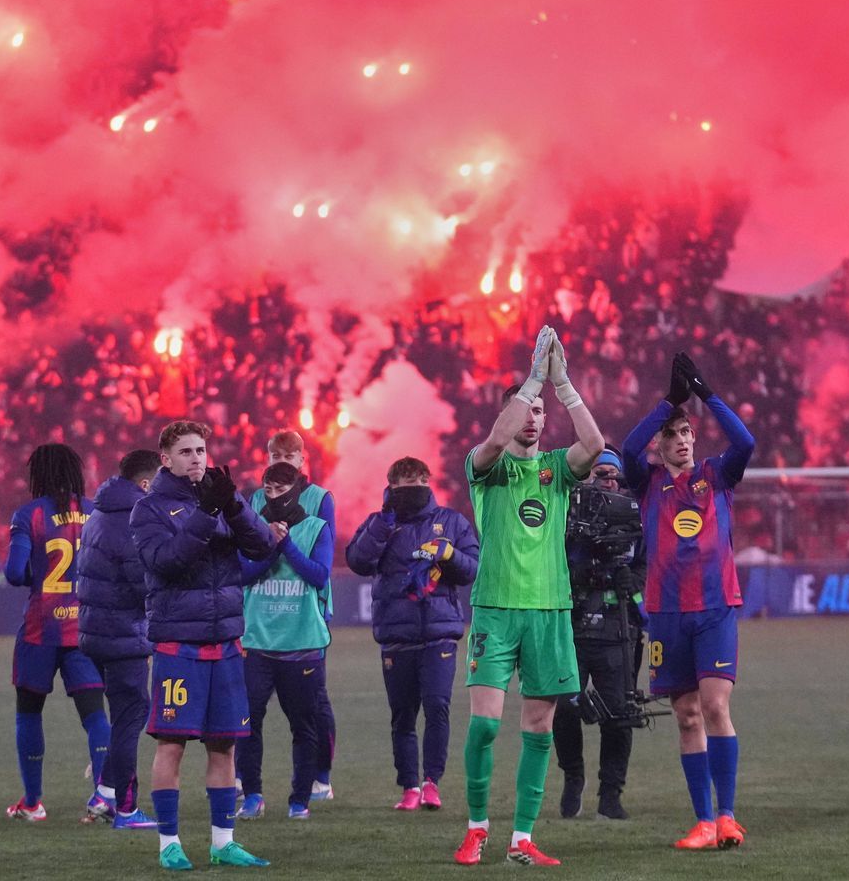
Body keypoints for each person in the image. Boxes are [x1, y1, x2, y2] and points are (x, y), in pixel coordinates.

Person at [453, 325, 605, 868]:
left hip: (549, 610)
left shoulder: (557, 470)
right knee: (487, 723)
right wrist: (532, 378)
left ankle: (521, 839)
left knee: (539, 726)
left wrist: (562, 385)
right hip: (495, 606)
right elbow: (495, 440)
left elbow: (596, 446)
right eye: (527, 409)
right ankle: (475, 829)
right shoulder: (486, 468)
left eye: (540, 411)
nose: (534, 417)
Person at [621, 352, 757, 846]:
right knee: (687, 714)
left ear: (694, 440)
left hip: (715, 608)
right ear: (660, 446)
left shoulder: (717, 476)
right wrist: (668, 403)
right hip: (666, 615)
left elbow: (746, 441)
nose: (679, 441)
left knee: (716, 706)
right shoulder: (649, 483)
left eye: (685, 433)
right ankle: (702, 821)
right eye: (671, 436)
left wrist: (706, 394)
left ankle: (726, 815)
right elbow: (625, 448)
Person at [131, 420, 278, 870]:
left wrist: (231, 505)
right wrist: (207, 514)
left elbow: (263, 546)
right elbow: (167, 562)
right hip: (179, 643)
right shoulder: (149, 509)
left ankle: (222, 841)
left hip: (227, 642)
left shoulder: (219, 497)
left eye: (201, 450)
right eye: (187, 452)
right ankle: (169, 844)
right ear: (166, 459)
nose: (197, 458)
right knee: (171, 745)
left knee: (224, 746)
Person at [345, 456, 479, 812]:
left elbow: (472, 569)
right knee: (402, 715)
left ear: (427, 480)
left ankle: (432, 782)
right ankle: (409, 788)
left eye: (417, 479)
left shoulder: (451, 521)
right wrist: (385, 522)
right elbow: (358, 561)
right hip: (396, 634)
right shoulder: (379, 522)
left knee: (437, 707)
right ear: (390, 487)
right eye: (403, 482)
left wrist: (449, 554)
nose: (411, 487)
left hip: (439, 633)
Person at [4, 443, 111, 821]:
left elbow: (15, 573)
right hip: (85, 625)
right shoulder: (96, 511)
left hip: (41, 628)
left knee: (29, 712)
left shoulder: (28, 514)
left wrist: (40, 576)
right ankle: (104, 796)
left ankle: (32, 802)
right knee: (95, 714)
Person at [237, 462, 335, 820]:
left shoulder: (316, 528)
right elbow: (242, 575)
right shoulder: (250, 528)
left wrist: (287, 545)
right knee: (247, 723)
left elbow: (320, 577)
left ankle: (299, 801)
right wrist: (271, 547)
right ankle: (252, 796)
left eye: (281, 490)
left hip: (302, 644)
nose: (273, 496)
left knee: (304, 726)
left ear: (295, 490)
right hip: (257, 643)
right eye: (268, 490)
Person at [551, 448, 644, 823]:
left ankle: (610, 794)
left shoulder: (633, 517)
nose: (607, 481)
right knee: (565, 708)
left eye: (613, 475)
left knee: (619, 712)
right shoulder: (566, 516)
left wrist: (632, 582)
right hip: (572, 625)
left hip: (617, 625)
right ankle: (573, 776)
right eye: (599, 473)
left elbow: (644, 564)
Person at [78, 448, 165, 828]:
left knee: (124, 715)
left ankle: (105, 793)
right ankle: (126, 809)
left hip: (95, 630)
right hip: (122, 633)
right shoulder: (133, 520)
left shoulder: (99, 512)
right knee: (131, 717)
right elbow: (141, 584)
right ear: (146, 483)